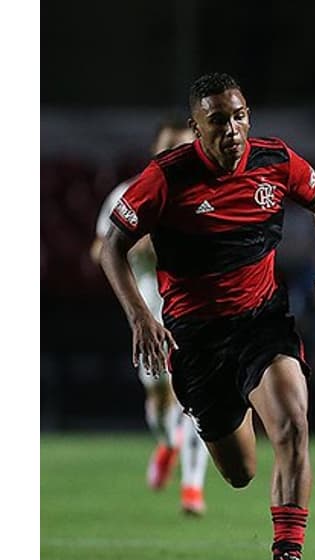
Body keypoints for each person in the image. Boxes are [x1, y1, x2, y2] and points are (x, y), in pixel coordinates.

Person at [98, 73, 315, 560]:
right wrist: (139, 318)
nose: (233, 128)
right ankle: (216, 419)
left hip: (263, 321)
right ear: (196, 128)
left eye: (240, 115)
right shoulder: (165, 178)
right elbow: (112, 247)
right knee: (241, 472)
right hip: (197, 339)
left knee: (292, 425)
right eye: (218, 119)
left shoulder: (276, 161)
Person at [90, 120, 210, 516]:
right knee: (160, 395)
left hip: (197, 304)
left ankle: (192, 489)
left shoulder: (211, 193)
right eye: (171, 148)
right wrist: (132, 247)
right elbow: (99, 249)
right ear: (157, 151)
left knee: (197, 394)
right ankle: (167, 441)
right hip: (148, 309)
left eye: (186, 148)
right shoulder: (127, 195)